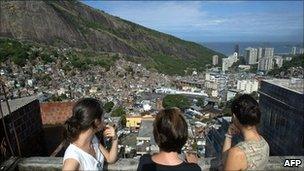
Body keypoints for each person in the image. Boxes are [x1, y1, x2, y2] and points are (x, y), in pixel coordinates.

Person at [137, 107, 201, 171]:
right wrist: (193, 165)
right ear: (184, 136)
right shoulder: (194, 169)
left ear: (156, 135)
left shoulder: (145, 162)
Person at [62, 98, 118, 171]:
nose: (104, 121)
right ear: (96, 121)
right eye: (102, 117)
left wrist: (115, 139)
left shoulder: (92, 139)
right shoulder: (73, 158)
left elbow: (110, 159)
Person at [222, 94, 269, 170]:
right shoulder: (265, 144)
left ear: (234, 117)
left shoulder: (237, 153)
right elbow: (226, 162)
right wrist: (229, 135)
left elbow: (224, 163)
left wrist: (228, 136)